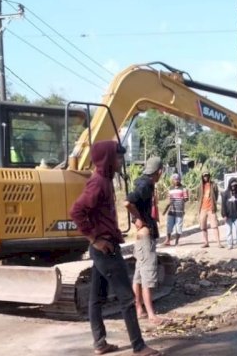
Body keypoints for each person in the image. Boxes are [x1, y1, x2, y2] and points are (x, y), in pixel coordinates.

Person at [70, 141, 161, 356]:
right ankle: (139, 347)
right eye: (118, 158)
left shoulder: (105, 180)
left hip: (105, 246)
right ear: (107, 160)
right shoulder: (98, 183)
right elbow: (76, 211)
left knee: (96, 298)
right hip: (105, 248)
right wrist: (94, 239)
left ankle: (100, 343)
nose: (121, 162)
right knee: (127, 298)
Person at [125, 157, 170, 327]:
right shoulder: (145, 185)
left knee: (138, 276)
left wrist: (137, 218)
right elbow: (128, 202)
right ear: (159, 172)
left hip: (141, 238)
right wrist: (138, 219)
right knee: (148, 276)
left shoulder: (142, 183)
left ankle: (139, 310)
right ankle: (151, 314)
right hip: (145, 238)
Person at [162, 173, 188, 246]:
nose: (177, 181)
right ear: (173, 180)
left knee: (178, 226)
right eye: (175, 179)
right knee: (169, 225)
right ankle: (167, 240)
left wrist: (180, 200)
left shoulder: (183, 188)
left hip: (179, 210)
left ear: (180, 180)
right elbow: (168, 200)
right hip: (171, 210)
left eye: (178, 179)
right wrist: (165, 210)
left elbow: (186, 199)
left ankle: (177, 242)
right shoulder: (170, 188)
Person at [198, 171, 223, 248]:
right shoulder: (200, 186)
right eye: (204, 176)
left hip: (211, 208)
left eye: (207, 176)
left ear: (209, 176)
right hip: (203, 208)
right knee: (203, 226)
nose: (206, 177)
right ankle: (206, 242)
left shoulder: (213, 185)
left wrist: (213, 204)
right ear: (202, 177)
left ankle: (218, 242)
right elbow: (198, 196)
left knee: (215, 225)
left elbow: (216, 194)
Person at [221, 177, 237, 249]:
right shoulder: (225, 194)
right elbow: (223, 205)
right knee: (229, 231)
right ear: (229, 185)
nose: (233, 187)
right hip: (228, 216)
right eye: (232, 185)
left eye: (235, 185)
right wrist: (224, 215)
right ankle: (229, 244)